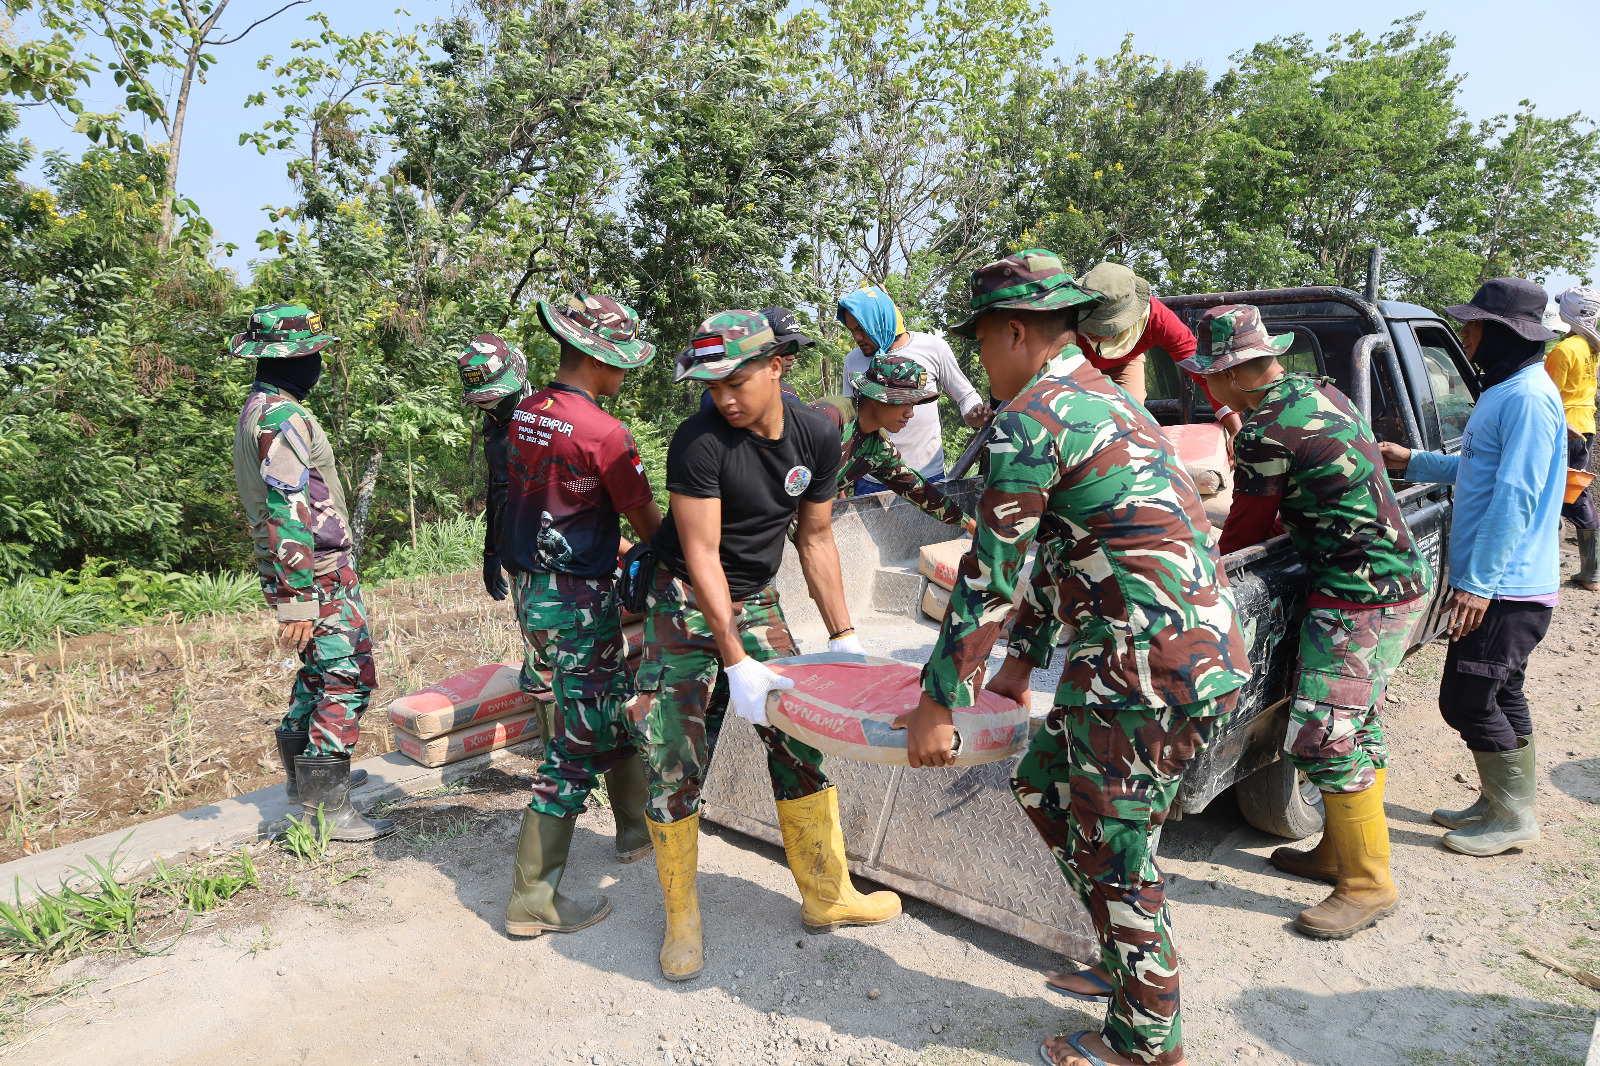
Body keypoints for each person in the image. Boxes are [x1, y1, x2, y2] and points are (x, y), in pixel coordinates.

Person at [894, 251, 1251, 1066]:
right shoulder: (1102, 400)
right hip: (1177, 653)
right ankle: (1120, 961)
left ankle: (1146, 1044)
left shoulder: (1033, 419)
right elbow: (1069, 552)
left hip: (1145, 670)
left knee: (1117, 850)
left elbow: (986, 575)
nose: (980, 359)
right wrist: (1020, 667)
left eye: (983, 342)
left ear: (1016, 332)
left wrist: (939, 699)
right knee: (1041, 783)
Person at [631, 310, 900, 983]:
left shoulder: (816, 434)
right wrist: (735, 660)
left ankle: (826, 892)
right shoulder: (698, 442)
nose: (722, 396)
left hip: (755, 596)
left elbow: (813, 538)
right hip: (686, 598)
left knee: (796, 739)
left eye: (737, 379)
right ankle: (683, 917)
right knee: (675, 753)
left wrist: (843, 639)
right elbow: (701, 557)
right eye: (711, 383)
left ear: (777, 367)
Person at [1195, 305, 1431, 940]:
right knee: (1356, 720)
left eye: (1207, 375)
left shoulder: (1264, 432)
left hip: (1359, 590)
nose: (1203, 385)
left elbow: (1247, 528)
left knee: (1325, 733)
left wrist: (1203, 564)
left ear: (1234, 374)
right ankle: (1338, 850)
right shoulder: (1318, 391)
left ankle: (1366, 884)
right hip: (1391, 575)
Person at [1378, 277, 1566, 858]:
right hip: (1507, 583)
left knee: (1466, 699)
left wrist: (1478, 585)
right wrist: (1413, 460)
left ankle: (1513, 817)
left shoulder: (1529, 399)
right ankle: (1501, 800)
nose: (1465, 334)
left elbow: (1514, 496)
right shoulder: (1507, 391)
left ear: (1503, 332)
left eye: (1474, 325)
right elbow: (1479, 468)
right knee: (1502, 692)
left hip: (1509, 587)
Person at [498, 293, 663, 936]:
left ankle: (632, 828)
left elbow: (544, 505)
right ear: (599, 359)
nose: (625, 375)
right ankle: (531, 898)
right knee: (576, 737)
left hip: (534, 590)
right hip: (575, 598)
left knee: (608, 697)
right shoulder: (604, 432)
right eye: (621, 363)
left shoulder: (526, 412)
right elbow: (645, 521)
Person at [230, 303, 391, 841]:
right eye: (314, 353)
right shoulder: (282, 417)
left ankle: (311, 779)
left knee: (321, 673)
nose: (319, 363)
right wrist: (298, 595)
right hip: (315, 571)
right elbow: (288, 508)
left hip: (298, 570)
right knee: (348, 677)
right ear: (296, 359)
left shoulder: (258, 408)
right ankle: (324, 806)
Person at [838, 285, 991, 493]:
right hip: (871, 479)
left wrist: (973, 413)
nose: (857, 338)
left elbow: (966, 395)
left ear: (879, 321)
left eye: (861, 329)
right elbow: (849, 421)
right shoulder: (853, 360)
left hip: (926, 475)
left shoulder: (932, 348)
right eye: (852, 330)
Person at [811, 352, 975, 531]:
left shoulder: (879, 448)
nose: (910, 413)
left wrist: (972, 526)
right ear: (876, 396)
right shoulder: (831, 417)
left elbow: (919, 491)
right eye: (904, 402)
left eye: (914, 404)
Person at [1077, 261, 1244, 435]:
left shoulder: (1157, 318)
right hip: (1072, 365)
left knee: (1131, 420)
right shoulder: (1060, 317)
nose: (1092, 329)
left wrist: (1234, 426)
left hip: (1124, 361)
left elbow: (1201, 368)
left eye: (1103, 325)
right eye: (1089, 322)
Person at [457, 333, 534, 606]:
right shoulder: (493, 424)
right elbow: (497, 486)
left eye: (497, 401)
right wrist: (492, 553)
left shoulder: (547, 421)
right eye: (483, 403)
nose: (491, 409)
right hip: (516, 558)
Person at [1548, 287, 1600, 590]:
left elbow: (1548, 396)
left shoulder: (1564, 350)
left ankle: (1583, 572)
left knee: (1559, 494)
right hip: (1584, 426)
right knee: (1575, 491)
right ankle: (1588, 571)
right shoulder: (1589, 349)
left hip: (1565, 429)